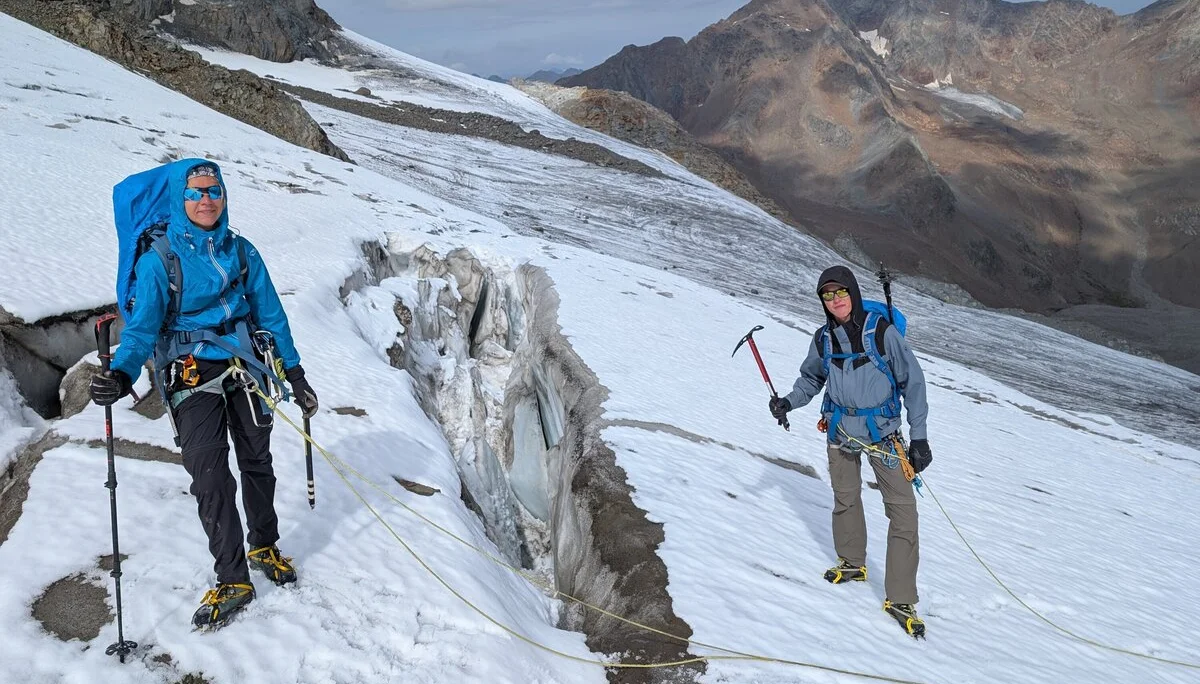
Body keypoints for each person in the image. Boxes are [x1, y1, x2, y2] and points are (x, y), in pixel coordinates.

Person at [89, 160, 319, 629]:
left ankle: (264, 545)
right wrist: (123, 373)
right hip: (188, 369)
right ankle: (232, 576)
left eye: (212, 191)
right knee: (210, 474)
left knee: (258, 461)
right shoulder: (160, 260)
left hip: (244, 363)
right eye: (194, 193)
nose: (206, 200)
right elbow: (141, 329)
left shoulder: (241, 251)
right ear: (180, 199)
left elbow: (270, 315)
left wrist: (294, 373)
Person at [768, 265, 933, 637]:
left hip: (884, 435)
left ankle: (901, 598)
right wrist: (789, 403)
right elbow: (812, 378)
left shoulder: (882, 333)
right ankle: (852, 562)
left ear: (853, 293)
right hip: (840, 430)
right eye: (827, 295)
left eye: (840, 292)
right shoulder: (824, 338)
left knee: (903, 513)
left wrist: (919, 438)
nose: (835, 299)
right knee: (846, 498)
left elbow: (914, 383)